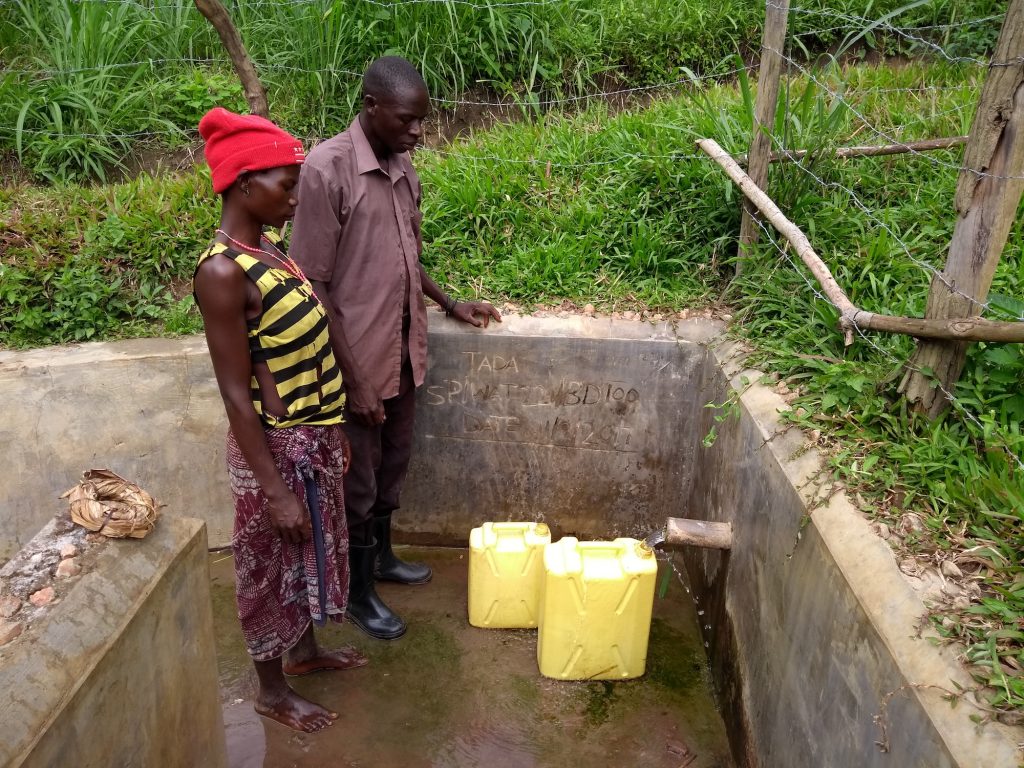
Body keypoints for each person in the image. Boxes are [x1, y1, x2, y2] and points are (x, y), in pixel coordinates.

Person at [290, 56, 501, 640]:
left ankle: (381, 559)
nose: (417, 133)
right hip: (353, 361)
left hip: (403, 351)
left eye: (422, 121)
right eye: (407, 120)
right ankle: (358, 595)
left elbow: (409, 254)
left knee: (394, 465)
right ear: (371, 108)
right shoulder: (326, 170)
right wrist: (354, 381)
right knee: (357, 484)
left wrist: (449, 303)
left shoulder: (403, 165)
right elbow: (315, 285)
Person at [194, 107, 367, 733]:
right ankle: (270, 690)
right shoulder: (222, 273)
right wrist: (273, 491)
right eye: (285, 183)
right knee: (267, 563)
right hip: (272, 449)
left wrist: (334, 429)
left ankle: (306, 653)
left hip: (311, 439)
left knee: (312, 550)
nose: (296, 195)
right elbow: (237, 396)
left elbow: (308, 350)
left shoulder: (269, 253)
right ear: (243, 183)